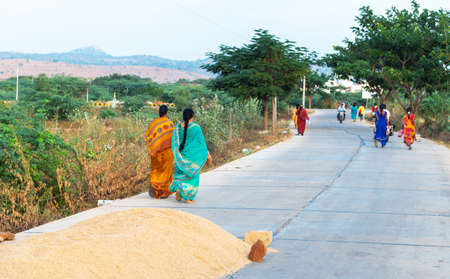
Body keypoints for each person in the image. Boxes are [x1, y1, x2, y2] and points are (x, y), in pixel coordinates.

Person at [170, 108, 212, 203]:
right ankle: (188, 197)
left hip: (181, 157)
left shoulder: (177, 128)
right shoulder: (196, 128)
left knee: (180, 175)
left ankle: (179, 188)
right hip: (193, 159)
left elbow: (174, 143)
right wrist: (207, 155)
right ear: (192, 117)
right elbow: (201, 144)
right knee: (192, 177)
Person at [144, 105, 175, 199]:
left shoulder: (153, 124)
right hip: (167, 153)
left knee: (156, 170)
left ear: (159, 112)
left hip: (156, 153)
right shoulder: (169, 124)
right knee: (165, 171)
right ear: (167, 112)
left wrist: (154, 148)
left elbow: (147, 137)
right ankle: (163, 192)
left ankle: (154, 185)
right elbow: (173, 139)